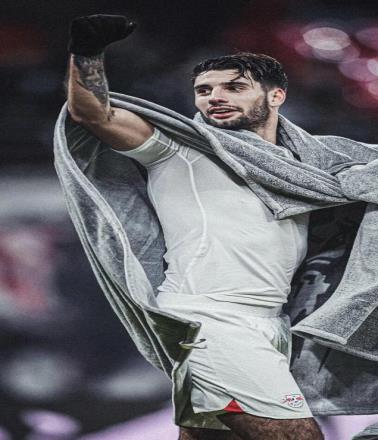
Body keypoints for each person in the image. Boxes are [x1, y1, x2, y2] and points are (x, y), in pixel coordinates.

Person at [65, 14, 324, 440]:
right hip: (210, 320)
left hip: (268, 322)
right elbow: (92, 114)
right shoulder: (177, 151)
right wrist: (88, 52)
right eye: (204, 90)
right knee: (298, 436)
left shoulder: (301, 166)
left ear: (276, 95)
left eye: (234, 87)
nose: (215, 97)